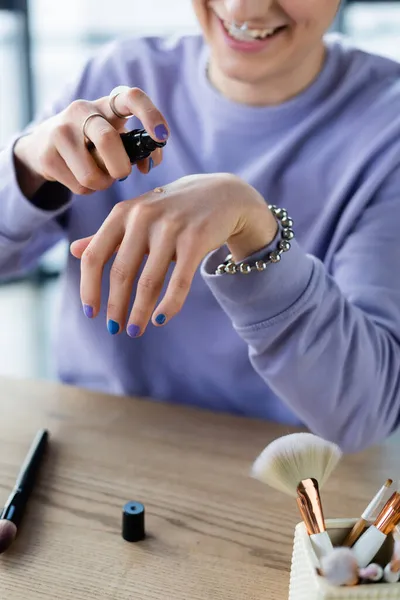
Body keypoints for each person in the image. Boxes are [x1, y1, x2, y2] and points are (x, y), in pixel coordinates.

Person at [1, 1, 400, 453]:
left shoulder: (389, 129)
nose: (241, 6)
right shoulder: (118, 76)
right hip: (93, 445)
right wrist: (27, 166)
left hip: (275, 472)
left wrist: (256, 233)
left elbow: (366, 414)